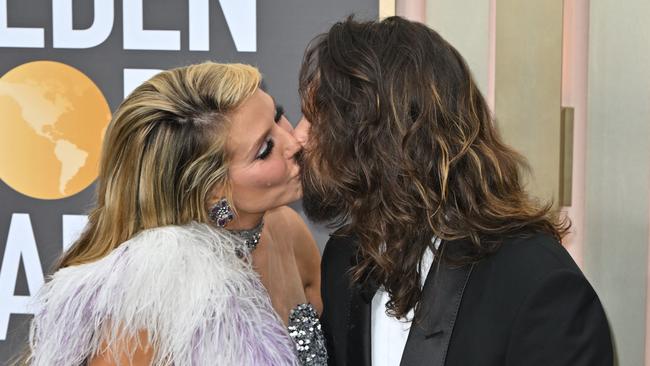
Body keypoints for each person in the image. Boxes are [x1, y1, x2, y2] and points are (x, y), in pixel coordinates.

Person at [294, 16, 613, 366]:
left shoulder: (539, 287)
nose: (298, 135)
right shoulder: (345, 256)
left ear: (381, 135)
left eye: (317, 119)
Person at [27, 62, 327, 365]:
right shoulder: (150, 292)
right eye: (265, 149)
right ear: (213, 189)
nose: (295, 142)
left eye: (278, 116)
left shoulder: (286, 228)